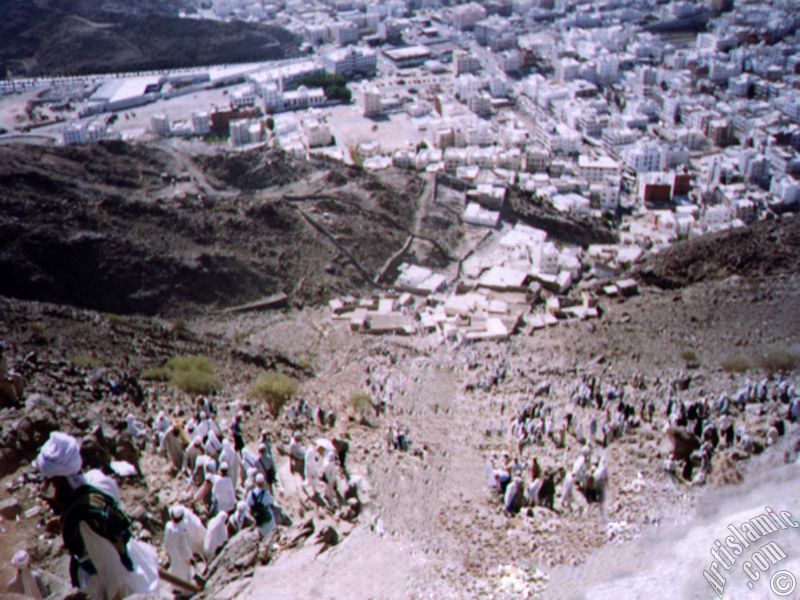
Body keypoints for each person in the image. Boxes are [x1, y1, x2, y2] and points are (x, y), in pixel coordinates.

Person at [36, 431, 159, 600]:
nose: (49, 490)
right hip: (131, 554)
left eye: (52, 483)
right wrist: (64, 519)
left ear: (61, 480)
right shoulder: (96, 479)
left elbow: (112, 575)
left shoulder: (84, 521)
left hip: (120, 582)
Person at [164, 507, 194, 585]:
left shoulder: (168, 525)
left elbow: (166, 540)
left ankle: (175, 587)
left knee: (174, 570)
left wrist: (167, 551)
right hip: (180, 557)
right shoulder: (180, 531)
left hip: (172, 553)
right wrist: (189, 558)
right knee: (183, 572)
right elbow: (183, 547)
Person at [246, 474, 275, 539]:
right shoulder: (266, 493)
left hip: (258, 519)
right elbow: (271, 500)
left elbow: (248, 504)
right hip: (267, 519)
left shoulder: (251, 494)